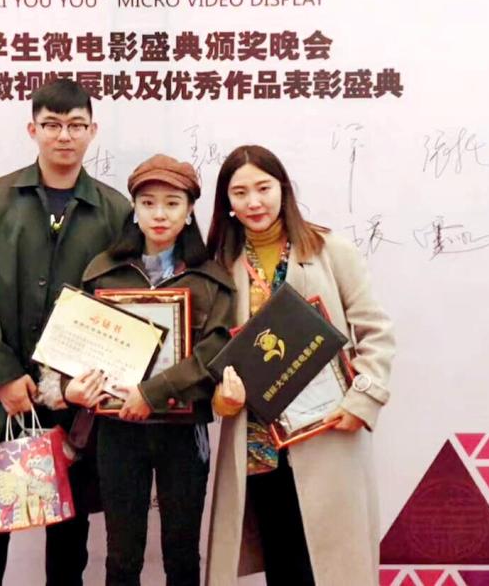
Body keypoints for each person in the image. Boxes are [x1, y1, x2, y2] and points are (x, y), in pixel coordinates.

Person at [0, 80, 131, 586]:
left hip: (78, 398)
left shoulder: (114, 211)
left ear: (92, 130)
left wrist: (78, 384)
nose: (63, 136)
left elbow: (125, 302)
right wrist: (4, 375)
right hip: (1, 393)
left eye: (75, 125)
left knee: (69, 532)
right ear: (33, 130)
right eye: (51, 125)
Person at [204, 145, 395, 586]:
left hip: (328, 429)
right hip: (260, 446)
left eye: (263, 188)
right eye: (240, 193)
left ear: (283, 189)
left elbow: (376, 332)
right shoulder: (221, 266)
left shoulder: (331, 250)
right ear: (226, 202)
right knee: (284, 565)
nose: (254, 202)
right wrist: (222, 399)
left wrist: (361, 400)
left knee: (332, 565)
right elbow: (211, 354)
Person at [66, 154, 235, 586]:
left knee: (182, 554)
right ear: (134, 209)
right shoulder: (104, 272)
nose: (160, 214)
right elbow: (73, 345)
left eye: (172, 203)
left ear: (190, 210)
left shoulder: (210, 278)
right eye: (148, 203)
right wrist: (73, 386)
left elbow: (215, 351)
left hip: (184, 432)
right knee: (122, 555)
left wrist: (152, 393)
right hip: (118, 430)